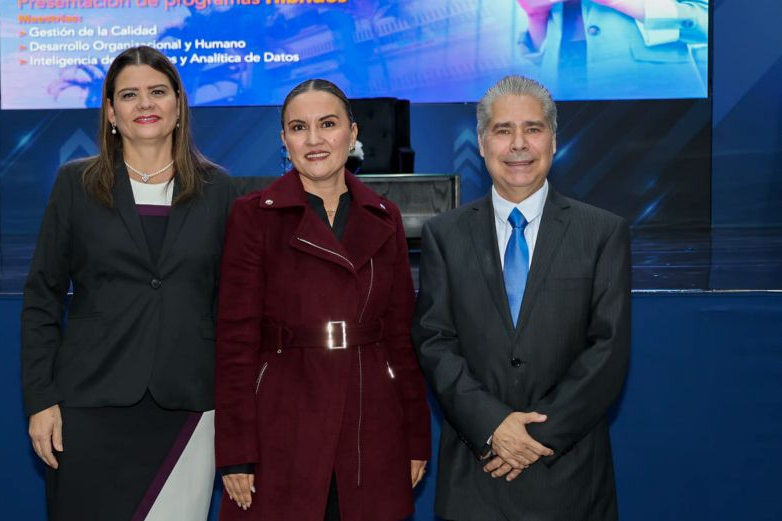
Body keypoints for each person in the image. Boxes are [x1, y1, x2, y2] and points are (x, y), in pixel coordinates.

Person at [20, 45, 236, 521]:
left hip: (187, 405)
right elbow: (41, 298)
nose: (145, 104)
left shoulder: (219, 188)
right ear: (111, 112)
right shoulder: (75, 184)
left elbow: (231, 306)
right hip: (89, 405)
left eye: (157, 92)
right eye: (129, 94)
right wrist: (41, 400)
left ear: (178, 105)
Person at [412, 75, 631, 521]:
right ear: (481, 142)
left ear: (553, 140)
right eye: (503, 130)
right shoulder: (444, 236)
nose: (518, 144)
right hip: (476, 474)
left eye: (533, 129)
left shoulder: (602, 233)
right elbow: (435, 344)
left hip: (570, 477)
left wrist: (531, 439)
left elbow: (607, 352)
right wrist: (493, 427)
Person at [214, 79, 431, 521]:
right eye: (299, 127)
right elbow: (235, 342)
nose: (314, 139)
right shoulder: (253, 215)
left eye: (328, 124)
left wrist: (415, 437)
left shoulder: (384, 216)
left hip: (370, 423)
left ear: (352, 134)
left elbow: (401, 339)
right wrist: (236, 450)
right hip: (281, 420)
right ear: (284, 140)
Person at [517, 0, 708, 99]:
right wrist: (536, 15)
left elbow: (707, 20)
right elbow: (544, 56)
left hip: (655, 96)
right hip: (562, 93)